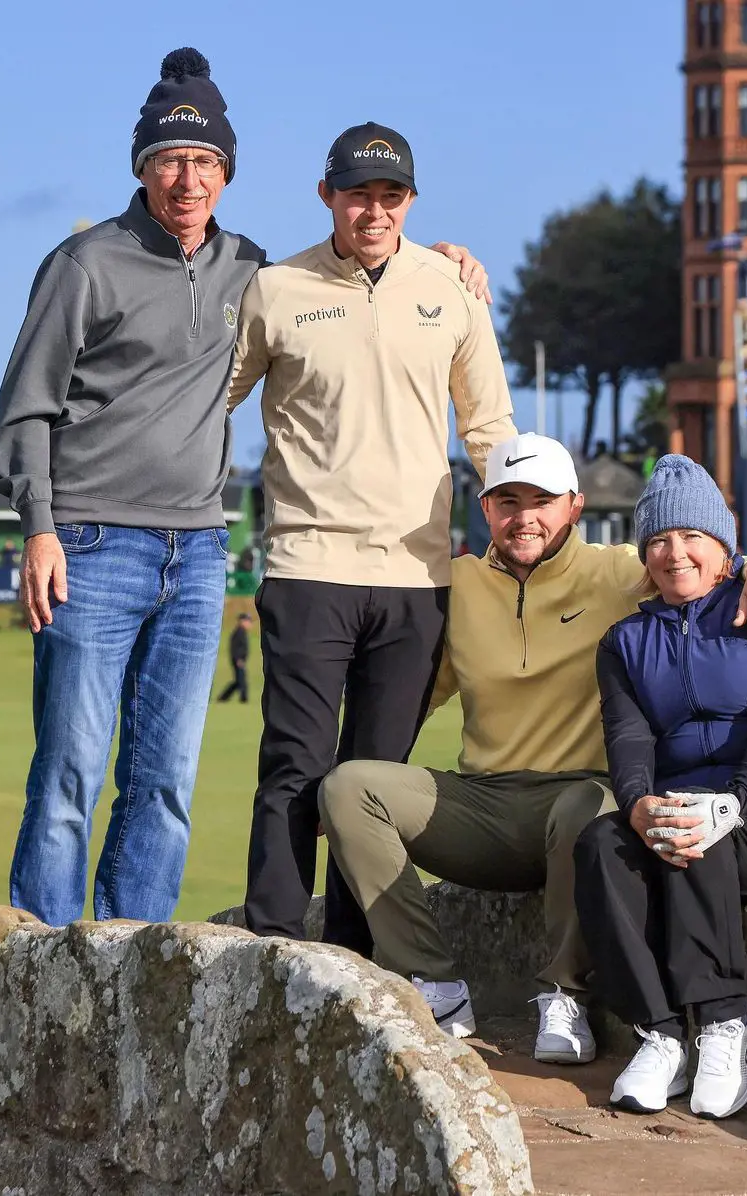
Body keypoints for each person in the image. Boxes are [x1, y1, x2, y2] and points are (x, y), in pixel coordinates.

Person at [0, 51, 487, 928]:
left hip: (199, 551)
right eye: (172, 161)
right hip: (91, 546)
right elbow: (22, 411)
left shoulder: (246, 270)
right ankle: (46, 972)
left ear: (227, 174)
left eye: (207, 163)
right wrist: (39, 527)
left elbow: (360, 277)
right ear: (142, 167)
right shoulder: (84, 264)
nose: (189, 180)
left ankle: (133, 961)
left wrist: (439, 262)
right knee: (68, 773)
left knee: (166, 784)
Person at [319, 435, 747, 1056]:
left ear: (575, 505)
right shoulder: (457, 583)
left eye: (542, 500)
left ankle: (563, 995)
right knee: (348, 788)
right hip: (484, 803)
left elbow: (696, 555)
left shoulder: (619, 571)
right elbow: (411, 694)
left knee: (591, 811)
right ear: (485, 509)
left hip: (582, 797)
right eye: (507, 501)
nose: (525, 517)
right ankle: (436, 983)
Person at [227, 122, 519, 956]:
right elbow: (211, 401)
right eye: (358, 194)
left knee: (371, 783)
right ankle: (276, 950)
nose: (374, 210)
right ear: (328, 196)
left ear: (411, 202)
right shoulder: (276, 289)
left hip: (417, 577)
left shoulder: (452, 287)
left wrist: (522, 522)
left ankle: (356, 966)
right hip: (309, 564)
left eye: (390, 196)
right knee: (295, 766)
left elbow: (488, 426)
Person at [574, 454, 747, 1120]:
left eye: (691, 536)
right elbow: (629, 741)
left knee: (699, 826)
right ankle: (661, 1031)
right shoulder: (625, 642)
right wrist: (637, 804)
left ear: (723, 546)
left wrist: (735, 802)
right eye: (660, 540)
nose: (675, 553)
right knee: (602, 845)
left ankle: (726, 1022)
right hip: (693, 817)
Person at [217, 612, 252, 703]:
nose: (249, 623)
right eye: (247, 621)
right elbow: (234, 647)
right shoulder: (239, 632)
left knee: (238, 681)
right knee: (241, 680)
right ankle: (243, 699)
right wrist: (238, 659)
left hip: (241, 660)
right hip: (238, 660)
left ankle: (223, 697)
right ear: (241, 621)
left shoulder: (242, 632)